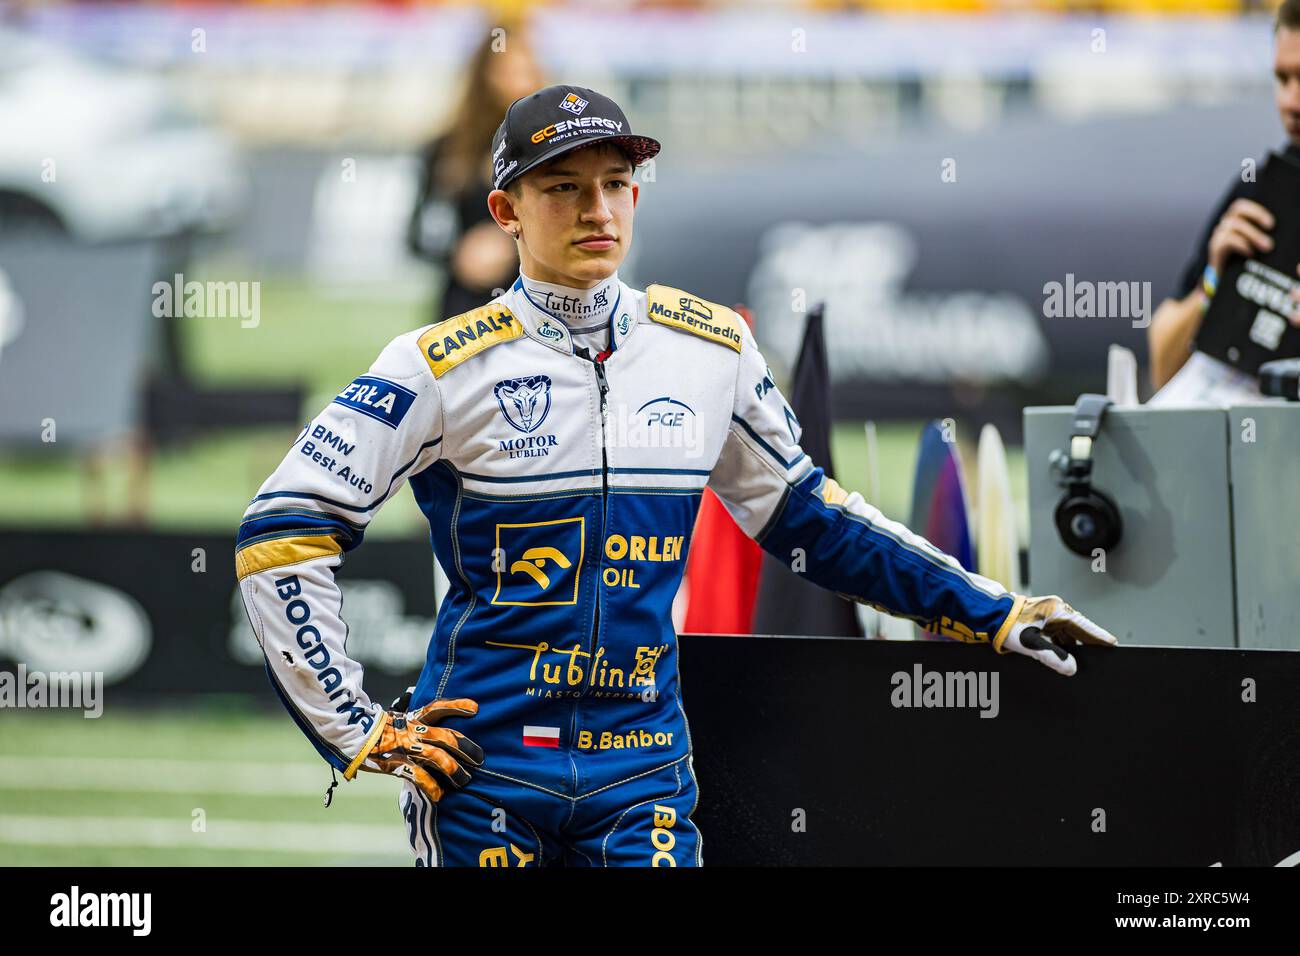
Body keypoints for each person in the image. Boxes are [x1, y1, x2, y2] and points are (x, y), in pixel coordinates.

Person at [235, 85, 1118, 867]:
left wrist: (995, 613)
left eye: (616, 183)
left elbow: (814, 522)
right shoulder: (438, 362)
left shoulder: (711, 346)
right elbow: (280, 530)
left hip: (643, 773)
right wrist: (356, 726)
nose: (598, 210)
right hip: (483, 773)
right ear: (505, 210)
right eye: (563, 188)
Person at [1148, 0, 1300, 400]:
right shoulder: (1261, 193)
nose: (1291, 103)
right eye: (1283, 79)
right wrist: (1214, 284)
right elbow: (1163, 370)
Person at [407, 24, 542, 321]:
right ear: (484, 77)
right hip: (461, 306)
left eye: (527, 70)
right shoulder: (447, 148)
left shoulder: (549, 150)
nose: (519, 84)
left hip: (530, 302)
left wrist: (510, 245)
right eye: (507, 71)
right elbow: (416, 236)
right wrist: (457, 254)